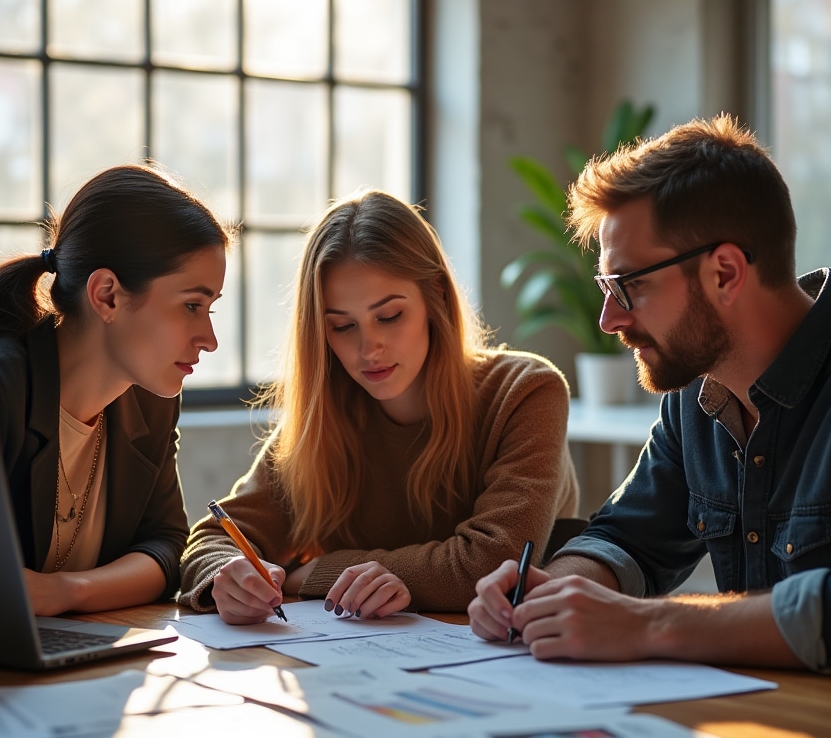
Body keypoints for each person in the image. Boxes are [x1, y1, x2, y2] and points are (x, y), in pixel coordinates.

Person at [469, 114, 831, 676]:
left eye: (630, 286)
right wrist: (552, 591)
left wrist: (645, 624)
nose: (608, 319)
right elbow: (629, 538)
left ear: (724, 273)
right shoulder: (698, 393)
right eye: (606, 287)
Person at [179, 189, 579, 623]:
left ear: (437, 298)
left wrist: (312, 574)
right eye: (342, 326)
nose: (368, 348)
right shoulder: (326, 415)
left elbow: (492, 564)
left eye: (389, 317)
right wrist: (229, 576)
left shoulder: (525, 392)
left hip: (513, 658)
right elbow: (214, 540)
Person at [0, 163, 230, 617]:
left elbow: (163, 547)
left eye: (210, 308)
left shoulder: (151, 400)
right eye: (191, 306)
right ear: (107, 295)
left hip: (82, 666)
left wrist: (67, 592)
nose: (210, 339)